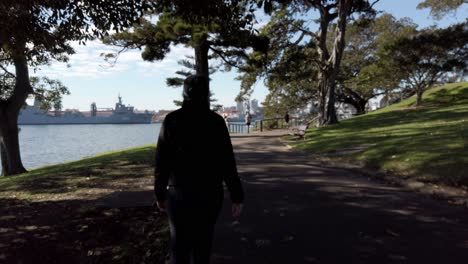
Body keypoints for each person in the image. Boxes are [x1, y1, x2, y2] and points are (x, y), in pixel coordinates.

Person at [154, 75, 244, 264]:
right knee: (204, 243)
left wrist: (160, 193)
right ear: (207, 93)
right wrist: (237, 195)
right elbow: (227, 162)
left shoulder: (172, 120)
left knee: (179, 245)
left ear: (184, 93)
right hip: (210, 193)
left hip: (179, 193)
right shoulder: (216, 122)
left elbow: (162, 162)